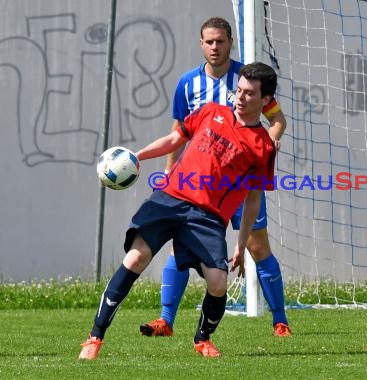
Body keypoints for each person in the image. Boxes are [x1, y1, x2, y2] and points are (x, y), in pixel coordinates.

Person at [79, 61, 279, 359]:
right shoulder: (211, 112)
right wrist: (136, 157)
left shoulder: (263, 146)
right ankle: (94, 338)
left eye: (249, 94)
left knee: (218, 282)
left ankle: (202, 338)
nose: (240, 97)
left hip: (207, 217)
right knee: (136, 258)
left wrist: (241, 243)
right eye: (238, 90)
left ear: (265, 101)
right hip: (170, 198)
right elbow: (175, 139)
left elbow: (252, 199)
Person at [139, 16, 291, 339]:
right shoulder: (187, 84)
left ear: (230, 42)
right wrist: (169, 170)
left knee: (256, 245)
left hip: (239, 181)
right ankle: (166, 320)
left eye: (220, 41)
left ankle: (280, 321)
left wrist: (271, 140)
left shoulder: (247, 79)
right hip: (199, 185)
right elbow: (178, 131)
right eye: (209, 41)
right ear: (201, 44)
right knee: (179, 247)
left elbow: (277, 119)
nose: (214, 47)